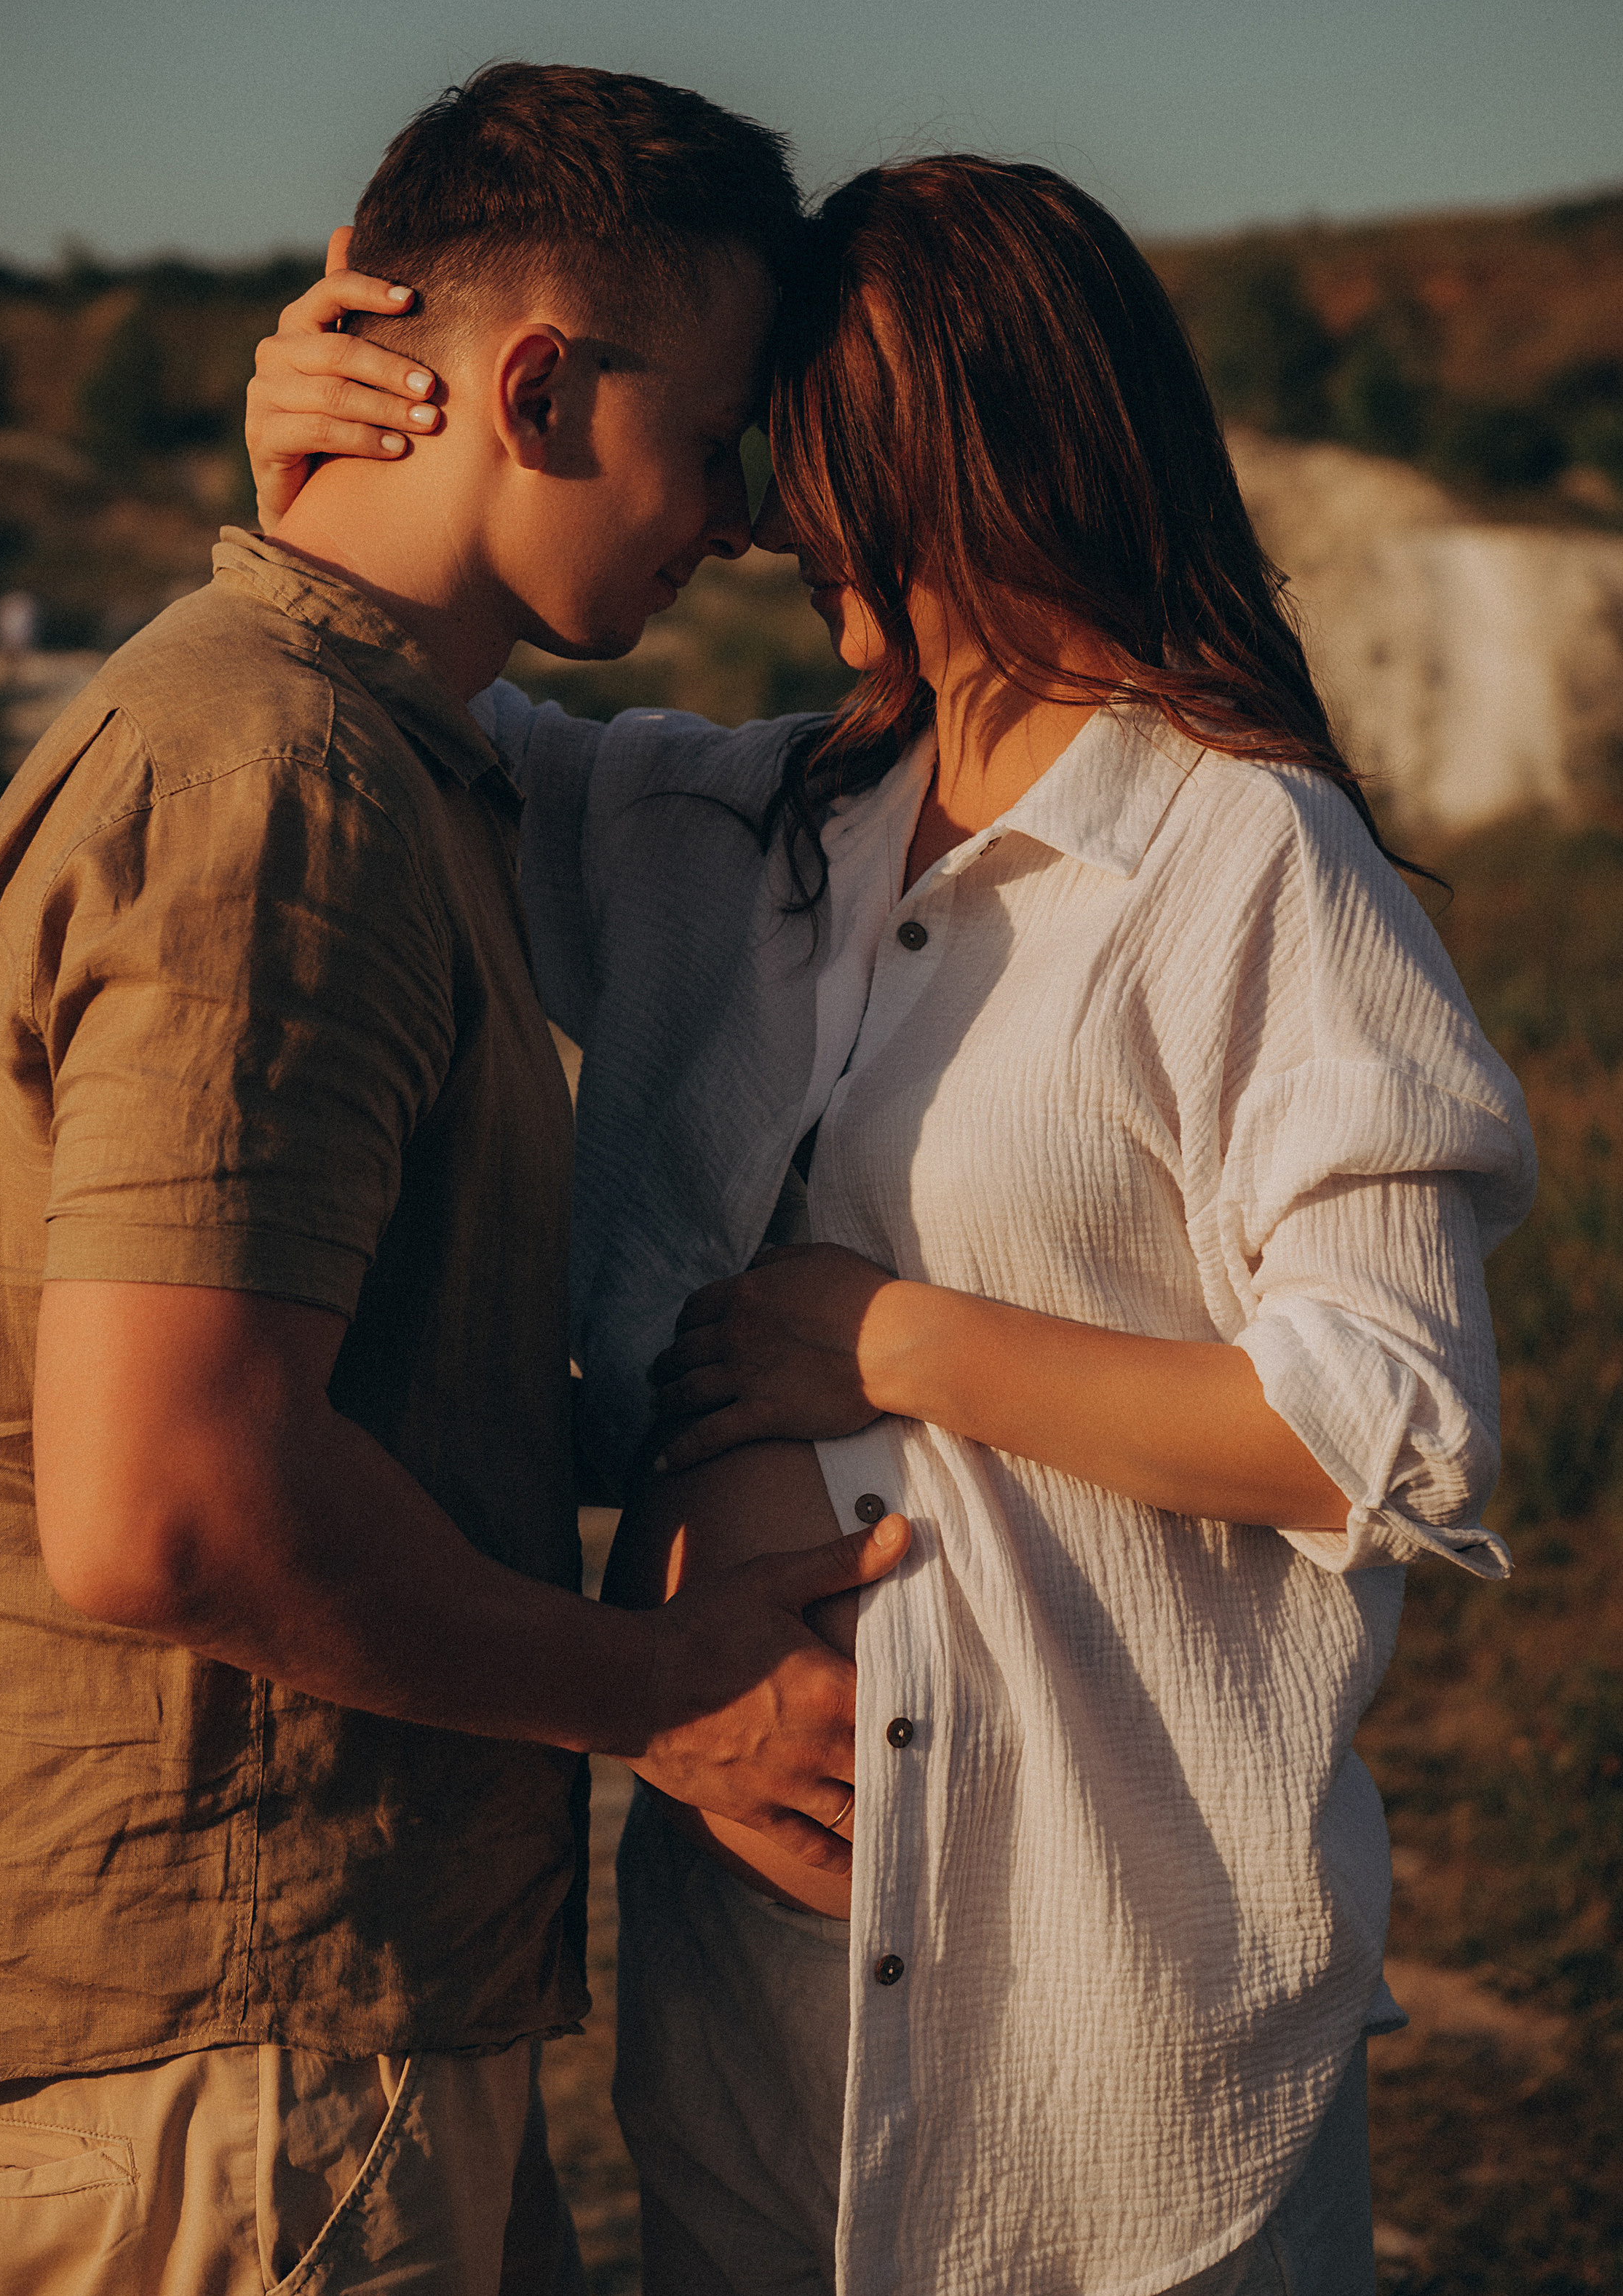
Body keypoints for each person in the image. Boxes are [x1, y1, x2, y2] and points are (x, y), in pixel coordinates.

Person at [246, 149, 1533, 2296]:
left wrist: (899, 1341)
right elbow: (404, 706)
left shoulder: (1241, 859)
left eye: (809, 452)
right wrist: (333, 443)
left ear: (983, 452)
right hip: (752, 2023)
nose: (757, 509)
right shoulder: (742, 828)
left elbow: (1387, 1420)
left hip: (1108, 2029)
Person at [0, 64, 914, 2296]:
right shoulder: (277, 791)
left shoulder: (356, 745)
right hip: (233, 2022)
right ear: (537, 382)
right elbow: (172, 1503)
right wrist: (663, 1691)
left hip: (281, 2007)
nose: (742, 520)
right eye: (713, 442)